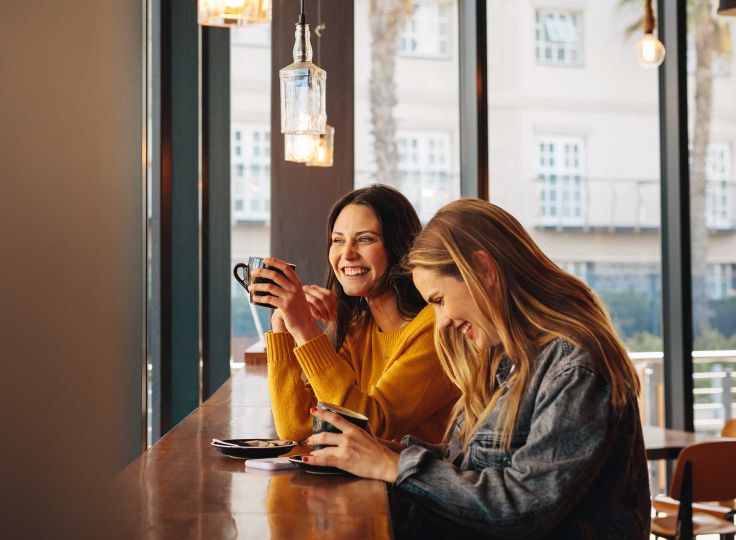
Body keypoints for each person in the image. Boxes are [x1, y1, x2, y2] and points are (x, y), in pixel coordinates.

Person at [305, 199, 651, 538]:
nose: (440, 323)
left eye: (439, 301)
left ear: (484, 270)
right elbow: (469, 466)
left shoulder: (575, 366)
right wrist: (378, 452)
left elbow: (523, 507)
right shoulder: (506, 359)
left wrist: (392, 465)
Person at [249, 184, 459, 443]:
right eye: (338, 240)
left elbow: (372, 427)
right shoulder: (360, 328)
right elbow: (298, 427)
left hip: (413, 482)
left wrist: (305, 328)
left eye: (365, 239)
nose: (346, 254)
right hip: (368, 481)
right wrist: (282, 323)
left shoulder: (438, 328)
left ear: (399, 246)